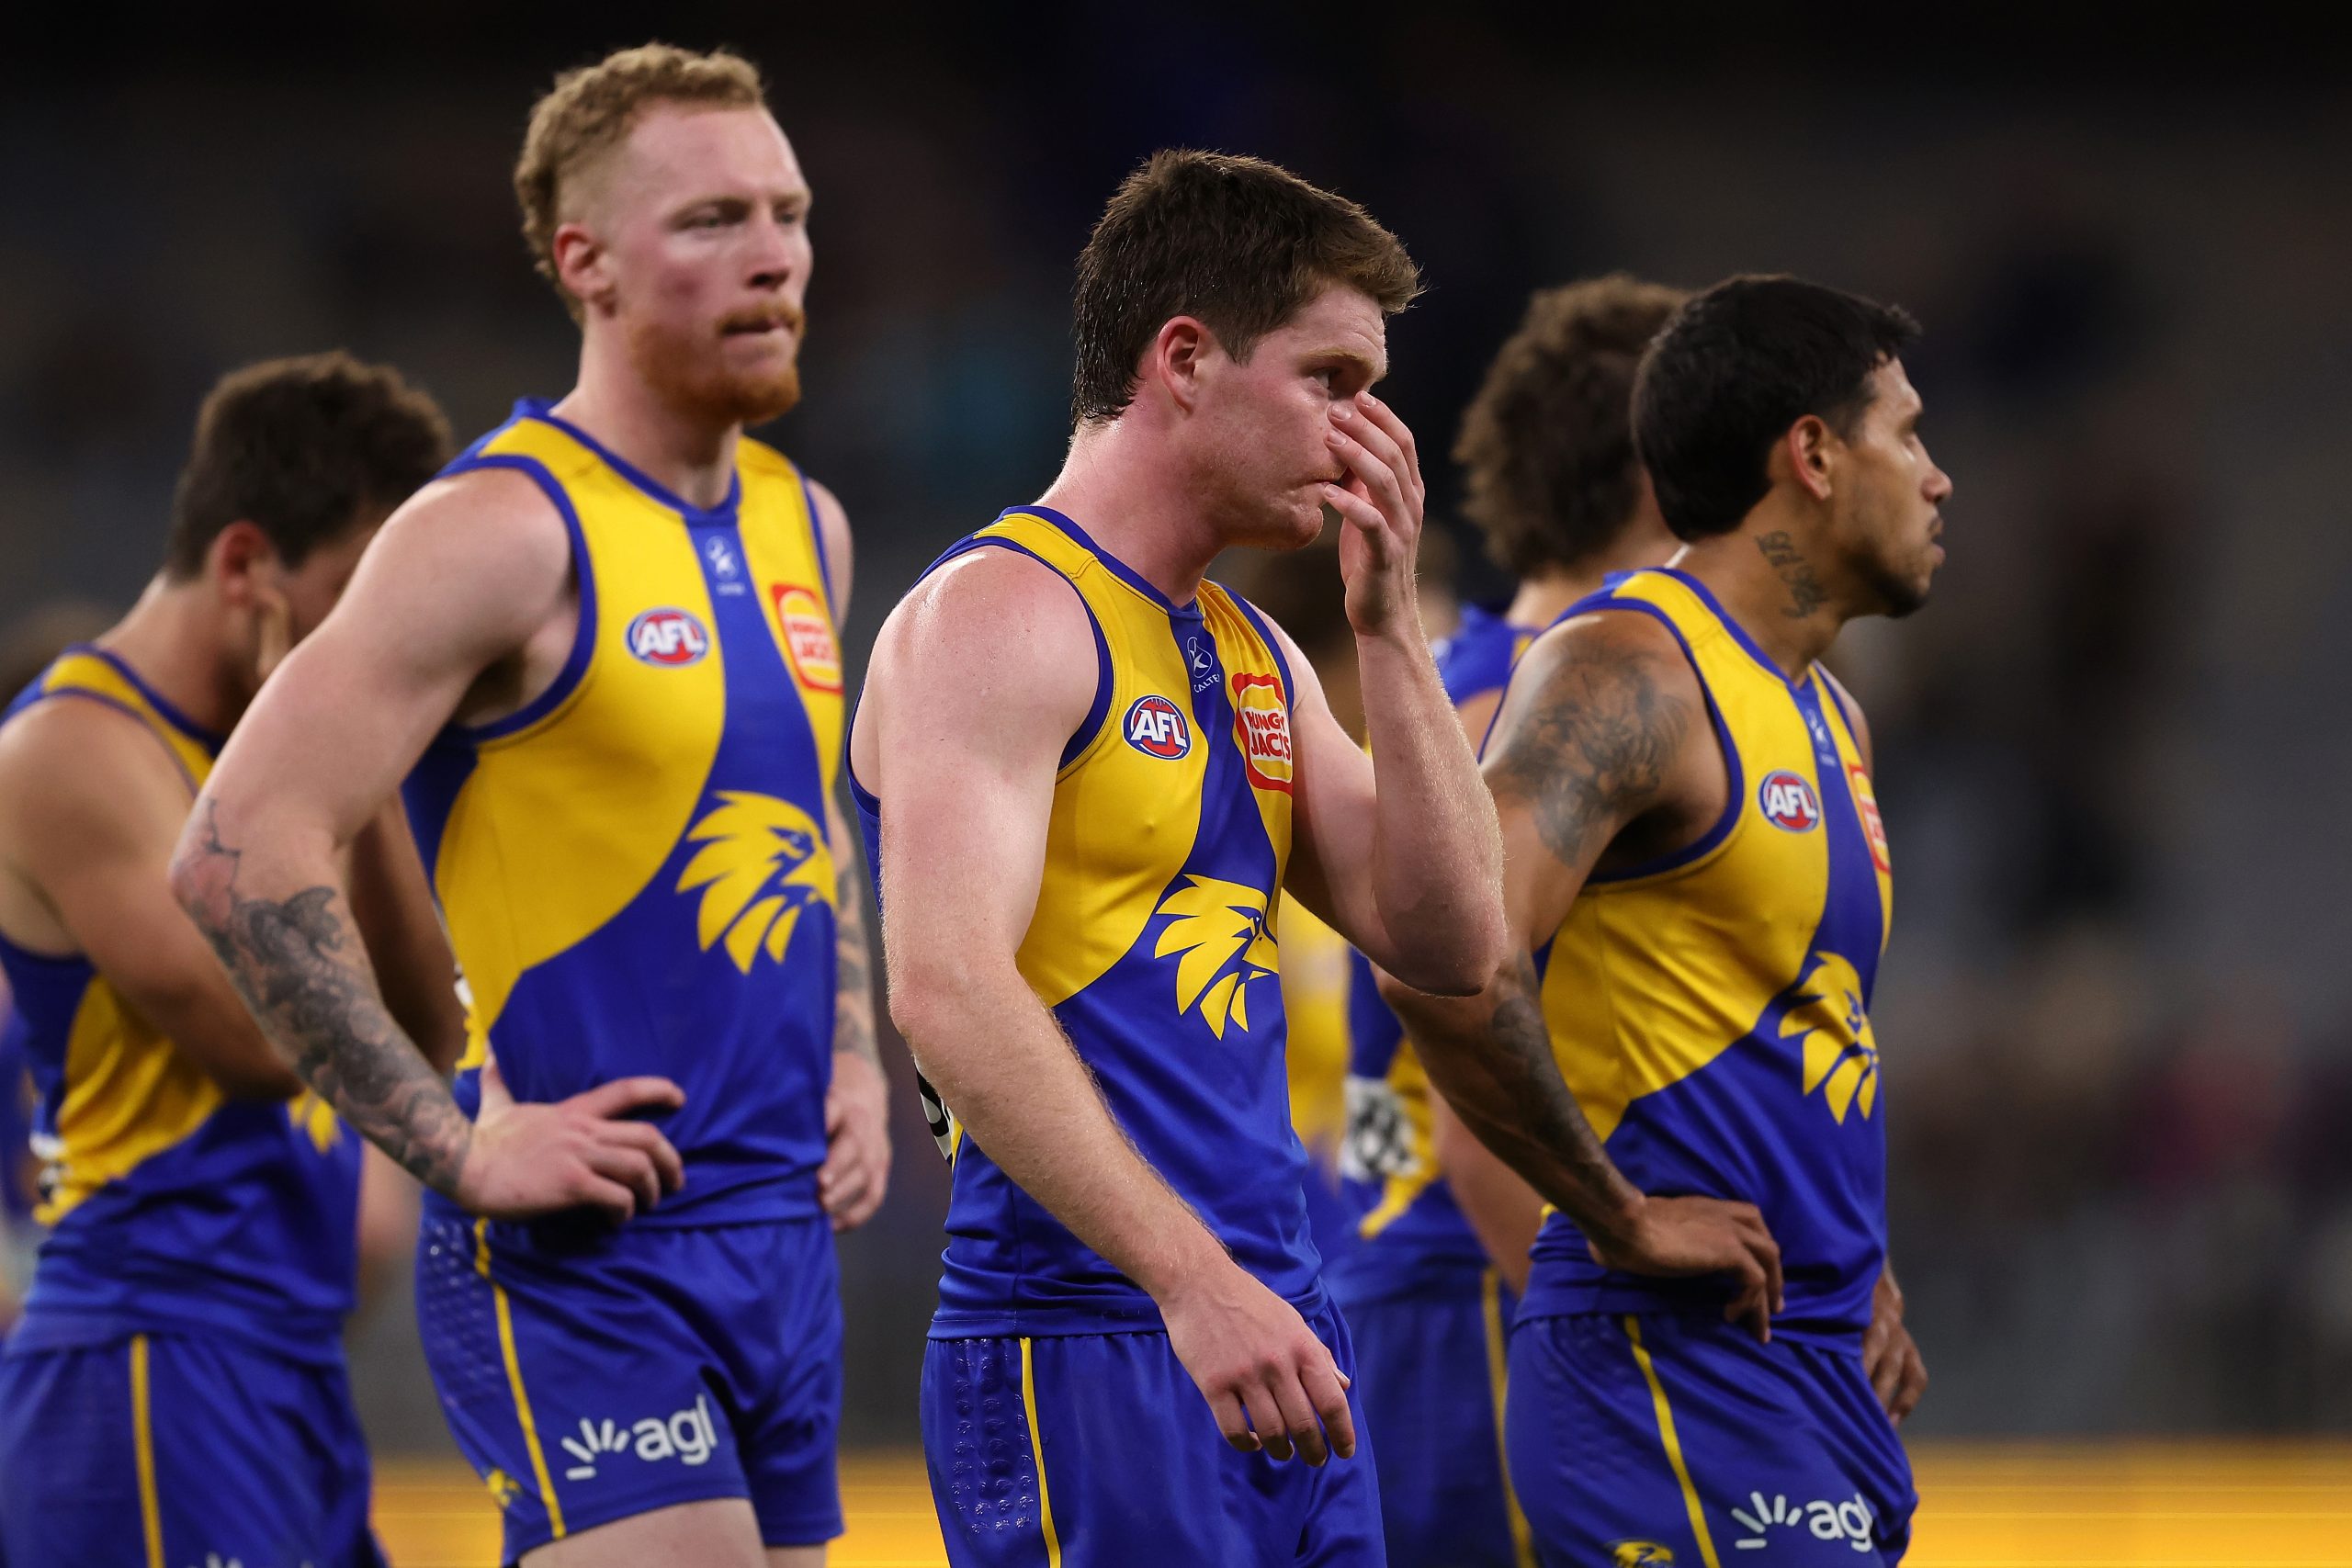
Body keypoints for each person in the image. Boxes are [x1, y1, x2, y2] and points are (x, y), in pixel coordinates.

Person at [169, 44, 889, 1568]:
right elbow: (235, 851)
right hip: (585, 1265)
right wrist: (455, 1143)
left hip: (785, 1249)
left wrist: (852, 1058)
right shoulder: (498, 529)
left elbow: (805, 826)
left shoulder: (806, 526)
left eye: (791, 210)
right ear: (588, 265)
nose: (774, 254)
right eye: (711, 221)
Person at [848, 150, 1508, 1565]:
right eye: (1331, 377)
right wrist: (1189, 1281)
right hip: (1093, 1328)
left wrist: (1390, 628)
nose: (1368, 427)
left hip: (1278, 1325)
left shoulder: (1257, 651)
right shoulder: (997, 616)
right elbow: (948, 990)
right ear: (1187, 360)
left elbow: (1456, 943)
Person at [1382, 275, 1940, 1564]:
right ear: (1811, 453)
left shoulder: (1827, 714)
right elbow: (1446, 964)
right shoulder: (1624, 671)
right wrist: (1617, 1213)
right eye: (1905, 432)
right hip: (1662, 1367)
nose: (1937, 476)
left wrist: (1858, 1259)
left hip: (1808, 1368)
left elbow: (1787, 1016)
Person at [0, 354, 460, 1568]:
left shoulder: (274, 767)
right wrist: (313, 741)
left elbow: (427, 1040)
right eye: (360, 602)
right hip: (150, 1354)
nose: (388, 649)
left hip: (288, 1364)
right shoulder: (73, 749)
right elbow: (272, 1044)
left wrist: (339, 763)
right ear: (247, 564)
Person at [1328, 276, 1684, 1568]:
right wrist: (1588, 1320)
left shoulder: (1475, 692)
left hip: (1423, 1280)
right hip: (1483, 1293)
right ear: (1660, 475)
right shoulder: (1526, 719)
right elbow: (1460, 1027)